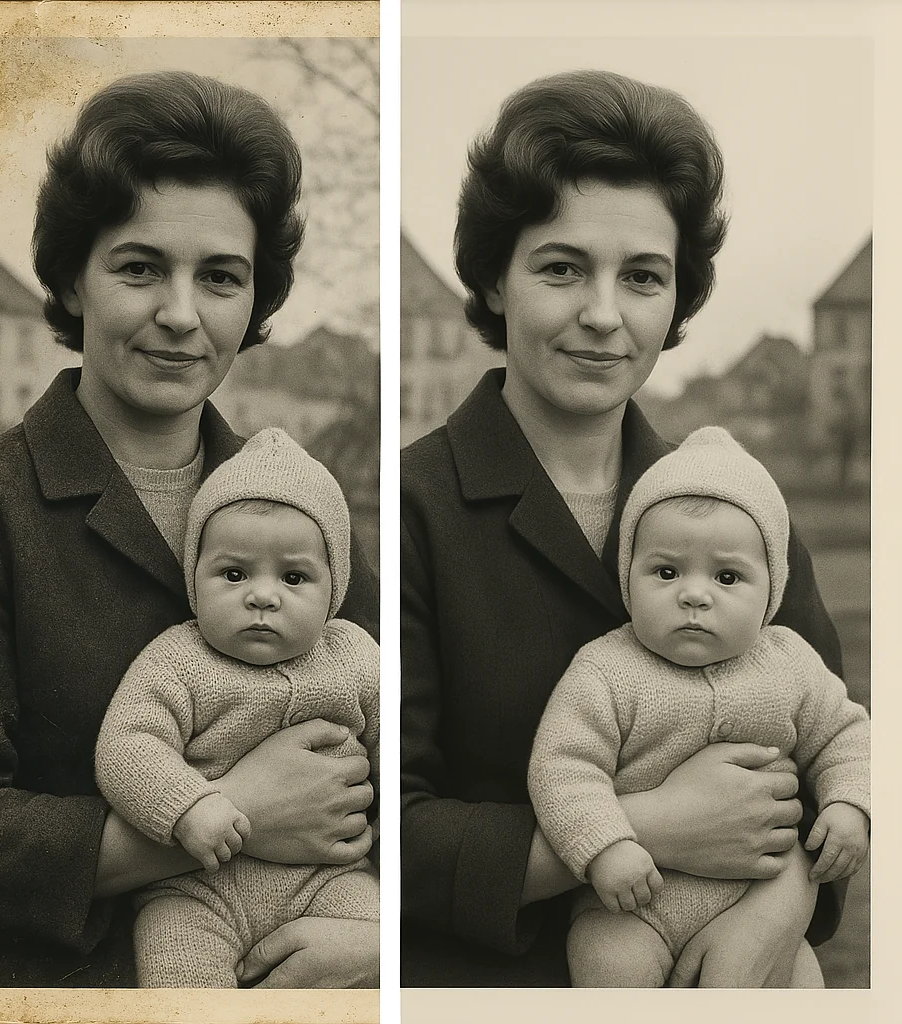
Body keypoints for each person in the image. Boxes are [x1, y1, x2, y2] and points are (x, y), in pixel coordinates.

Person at [0, 70, 379, 988]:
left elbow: (394, 769)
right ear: (74, 279)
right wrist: (232, 811)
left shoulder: (311, 513)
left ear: (255, 303)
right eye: (139, 267)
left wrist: (378, 941)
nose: (180, 314)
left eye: (220, 277)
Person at [401, 69, 848, 988]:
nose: (604, 316)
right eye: (561, 267)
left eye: (643, 277)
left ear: (677, 298)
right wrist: (649, 827)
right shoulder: (412, 508)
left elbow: (826, 750)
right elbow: (380, 829)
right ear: (494, 275)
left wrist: (779, 907)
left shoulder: (739, 505)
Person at [528, 426, 870, 987]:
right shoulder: (606, 669)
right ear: (627, 578)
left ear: (772, 590)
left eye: (727, 576)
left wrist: (851, 806)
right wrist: (606, 846)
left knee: (804, 987)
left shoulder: (788, 662)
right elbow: (563, 768)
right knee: (607, 965)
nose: (694, 594)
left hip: (761, 894)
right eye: (666, 572)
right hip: (635, 900)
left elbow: (848, 737)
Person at [95, 428, 379, 988]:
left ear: (335, 588)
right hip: (192, 891)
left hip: (326, 879)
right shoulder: (179, 659)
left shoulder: (356, 657)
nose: (263, 596)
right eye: (233, 574)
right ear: (194, 581)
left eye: (293, 577)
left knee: (371, 947)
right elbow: (127, 744)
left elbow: (402, 753)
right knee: (180, 980)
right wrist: (190, 806)